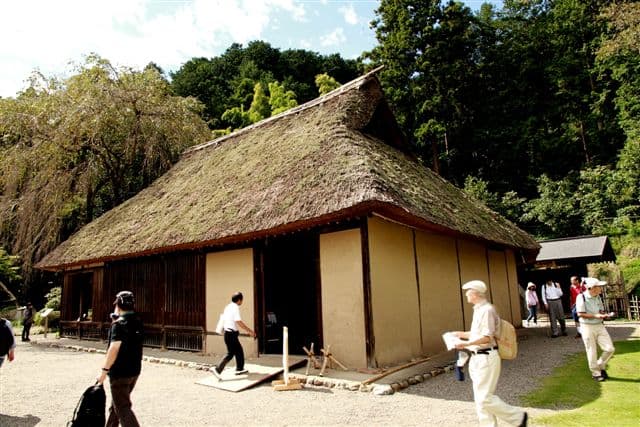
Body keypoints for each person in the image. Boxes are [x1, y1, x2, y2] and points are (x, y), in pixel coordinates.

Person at [454, 280, 528, 427]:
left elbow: (487, 337)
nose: (466, 295)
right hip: (477, 357)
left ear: (475, 294)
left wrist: (466, 344)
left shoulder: (487, 310)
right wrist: (459, 334)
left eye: (468, 292)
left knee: (484, 398)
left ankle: (518, 417)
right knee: (480, 399)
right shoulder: (478, 310)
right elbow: (476, 334)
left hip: (486, 357)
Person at [97, 291, 144, 427]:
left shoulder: (119, 324)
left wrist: (104, 371)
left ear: (117, 305)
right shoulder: (138, 322)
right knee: (117, 404)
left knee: (123, 407)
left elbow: (114, 348)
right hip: (134, 370)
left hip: (120, 372)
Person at [576, 277, 615, 382]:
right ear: (592, 288)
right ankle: (596, 373)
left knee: (610, 349)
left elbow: (601, 311)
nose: (601, 288)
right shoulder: (581, 297)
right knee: (591, 351)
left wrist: (605, 315)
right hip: (587, 327)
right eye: (599, 286)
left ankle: (600, 365)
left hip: (599, 325)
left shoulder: (598, 297)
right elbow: (580, 313)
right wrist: (595, 315)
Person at [211, 292, 256, 379]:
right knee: (231, 353)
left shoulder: (228, 307)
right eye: (242, 300)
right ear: (239, 300)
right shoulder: (235, 308)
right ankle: (217, 369)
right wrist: (250, 331)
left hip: (228, 334)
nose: (242, 302)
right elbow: (238, 321)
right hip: (231, 334)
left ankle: (239, 368)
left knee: (239, 351)